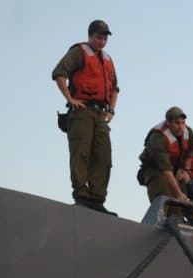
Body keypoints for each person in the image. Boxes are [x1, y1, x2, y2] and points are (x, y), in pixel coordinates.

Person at [52, 19, 119, 214]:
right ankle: (81, 196)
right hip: (82, 111)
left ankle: (97, 200)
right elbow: (59, 73)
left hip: (100, 113)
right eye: (99, 37)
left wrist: (112, 110)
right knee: (81, 153)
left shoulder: (107, 59)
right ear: (90, 36)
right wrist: (70, 98)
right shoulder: (79, 52)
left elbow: (115, 88)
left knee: (103, 156)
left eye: (105, 38)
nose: (102, 41)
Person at [139, 106, 193, 206]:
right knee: (164, 197)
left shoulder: (188, 133)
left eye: (183, 123)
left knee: (178, 208)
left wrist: (185, 170)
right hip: (155, 169)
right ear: (168, 123)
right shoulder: (157, 136)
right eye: (177, 123)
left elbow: (190, 153)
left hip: (173, 170)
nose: (181, 126)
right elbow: (165, 169)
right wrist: (178, 193)